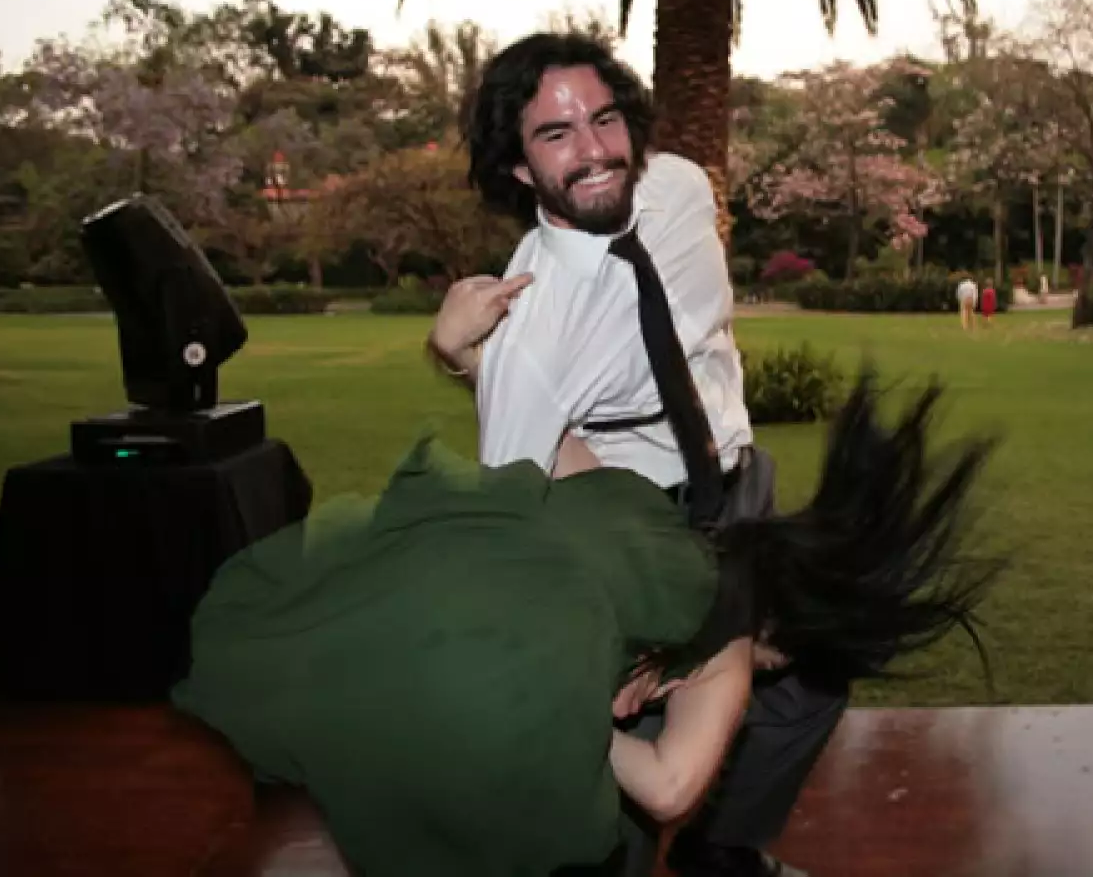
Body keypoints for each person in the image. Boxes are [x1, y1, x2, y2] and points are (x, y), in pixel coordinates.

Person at [172, 375, 996, 877]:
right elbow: (671, 787)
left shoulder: (663, 527)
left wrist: (472, 357)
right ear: (796, 641)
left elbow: (559, 444)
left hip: (419, 629)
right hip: (479, 729)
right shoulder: (738, 659)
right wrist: (579, 716)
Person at [425, 32, 840, 877]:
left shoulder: (678, 188)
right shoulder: (532, 328)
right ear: (517, 166)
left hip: (737, 479)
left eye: (604, 118)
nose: (594, 150)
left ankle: (725, 855)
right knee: (631, 761)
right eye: (556, 134)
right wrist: (468, 358)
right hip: (633, 525)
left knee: (813, 679)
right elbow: (515, 508)